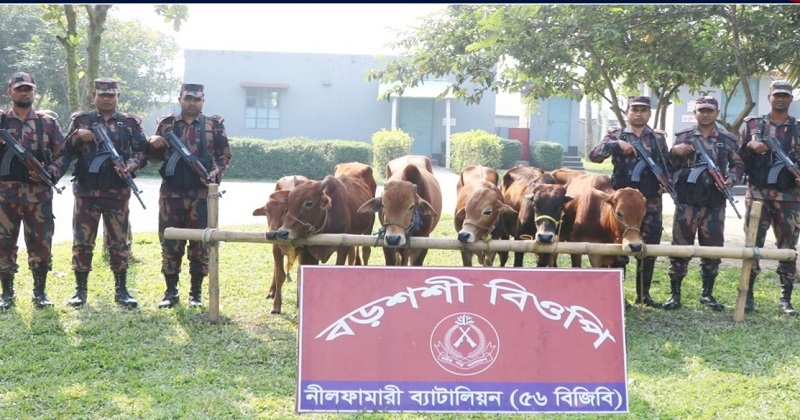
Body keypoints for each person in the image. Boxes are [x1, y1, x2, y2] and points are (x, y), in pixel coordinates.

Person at [61, 78, 147, 309]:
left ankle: (122, 290)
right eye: (103, 94)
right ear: (94, 95)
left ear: (118, 96)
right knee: (82, 242)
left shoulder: (129, 123)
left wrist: (130, 165)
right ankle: (80, 291)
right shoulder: (81, 120)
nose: (107, 98)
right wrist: (78, 134)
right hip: (86, 192)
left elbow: (142, 151)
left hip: (117, 193)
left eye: (112, 94)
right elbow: (65, 150)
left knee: (119, 242)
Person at [147, 83, 231, 309]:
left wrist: (216, 173)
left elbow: (224, 156)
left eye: (197, 99)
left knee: (200, 244)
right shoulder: (167, 124)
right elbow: (154, 157)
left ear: (203, 101)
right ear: (180, 99)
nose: (192, 102)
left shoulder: (213, 125)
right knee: (170, 243)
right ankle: (171, 291)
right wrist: (152, 142)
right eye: (188, 98)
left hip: (202, 194)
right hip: (171, 194)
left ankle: (195, 293)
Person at [589, 96, 671, 308]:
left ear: (649, 113)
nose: (639, 113)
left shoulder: (657, 138)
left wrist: (665, 182)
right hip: (623, 203)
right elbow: (594, 156)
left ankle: (644, 295)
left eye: (644, 110)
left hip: (650, 202)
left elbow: (666, 164)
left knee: (650, 247)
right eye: (635, 109)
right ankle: (619, 296)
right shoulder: (616, 136)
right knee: (620, 248)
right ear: (627, 112)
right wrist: (616, 145)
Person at [665, 96, 744, 311]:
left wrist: (732, 178)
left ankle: (707, 294)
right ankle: (675, 295)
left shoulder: (727, 139)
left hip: (714, 204)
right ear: (696, 113)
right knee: (680, 248)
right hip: (687, 202)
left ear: (716, 113)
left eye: (709, 110)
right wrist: (674, 151)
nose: (705, 114)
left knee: (712, 249)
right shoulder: (683, 137)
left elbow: (738, 165)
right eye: (701, 110)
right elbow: (668, 165)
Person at [0, 72, 67, 310]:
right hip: (4, 195)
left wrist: (49, 172)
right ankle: (6, 294)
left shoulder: (47, 122)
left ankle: (40, 292)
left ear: (34, 92)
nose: (24, 92)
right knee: (3, 243)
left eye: (28, 89)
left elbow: (64, 153)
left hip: (38, 196)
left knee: (41, 243)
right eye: (19, 89)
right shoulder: (1, 121)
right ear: (10, 92)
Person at [739, 80, 800, 316]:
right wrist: (750, 146)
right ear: (770, 97)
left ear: (790, 99)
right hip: (758, 195)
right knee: (752, 246)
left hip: (790, 197)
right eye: (777, 95)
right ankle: (748, 294)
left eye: (785, 95)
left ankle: (785, 299)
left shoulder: (797, 128)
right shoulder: (753, 124)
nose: (780, 99)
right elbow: (737, 155)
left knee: (788, 248)